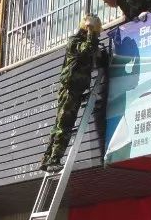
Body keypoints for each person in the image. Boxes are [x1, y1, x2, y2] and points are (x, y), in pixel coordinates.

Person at [40, 14, 108, 172]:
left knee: (60, 124)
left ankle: (47, 160)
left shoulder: (87, 43)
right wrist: (91, 31)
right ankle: (53, 160)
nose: (97, 35)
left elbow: (95, 55)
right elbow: (87, 49)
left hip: (76, 90)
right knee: (64, 125)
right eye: (95, 32)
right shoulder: (75, 41)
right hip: (70, 89)